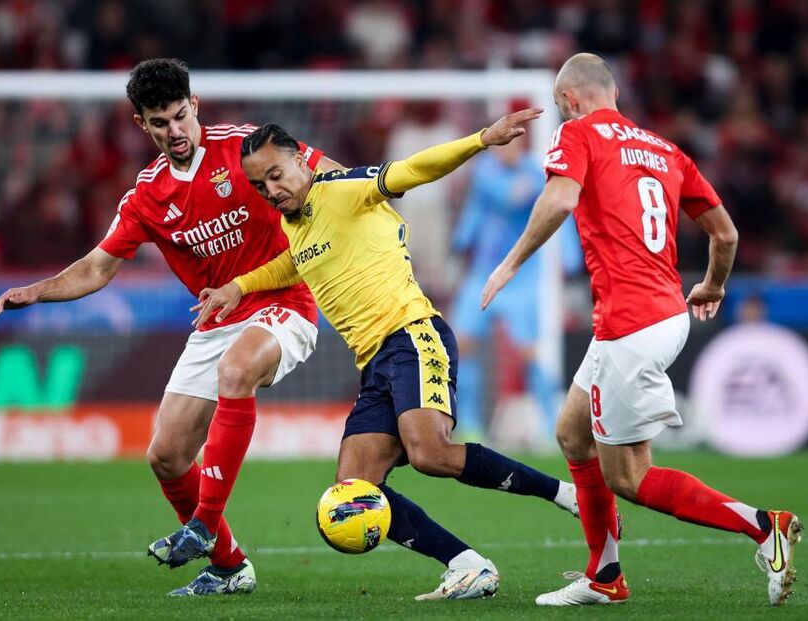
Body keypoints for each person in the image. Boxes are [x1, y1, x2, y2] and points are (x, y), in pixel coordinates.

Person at [0, 58, 341, 597]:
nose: (175, 132)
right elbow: (98, 267)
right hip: (216, 319)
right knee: (166, 455)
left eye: (180, 116)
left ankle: (201, 524)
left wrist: (374, 193)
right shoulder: (147, 196)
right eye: (160, 122)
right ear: (140, 125)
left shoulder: (243, 147)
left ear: (194, 106)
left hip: (283, 303)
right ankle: (228, 566)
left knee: (236, 366)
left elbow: (329, 172)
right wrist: (37, 290)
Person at [188, 113, 581, 601]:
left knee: (429, 453)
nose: (270, 189)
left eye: (276, 174)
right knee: (355, 489)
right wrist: (237, 286)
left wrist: (482, 140)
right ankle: (467, 565)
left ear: (299, 161)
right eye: (258, 184)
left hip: (413, 335)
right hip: (374, 363)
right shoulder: (297, 225)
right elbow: (294, 263)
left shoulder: (342, 189)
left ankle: (565, 494)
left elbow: (412, 170)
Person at [481, 53, 802, 607]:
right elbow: (725, 236)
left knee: (628, 475)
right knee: (572, 433)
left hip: (629, 325)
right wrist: (713, 286)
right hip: (663, 313)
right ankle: (604, 575)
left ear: (569, 100)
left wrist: (510, 263)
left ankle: (763, 525)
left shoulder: (576, 133)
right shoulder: (664, 149)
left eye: (562, 106)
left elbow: (559, 200)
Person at [450, 133, 581, 441]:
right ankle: (470, 426)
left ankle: (552, 429)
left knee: (529, 353)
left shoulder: (538, 174)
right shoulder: (485, 171)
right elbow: (494, 201)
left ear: (522, 144)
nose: (504, 150)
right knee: (461, 345)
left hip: (522, 277)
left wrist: (569, 256)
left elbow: (558, 211)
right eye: (500, 145)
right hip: (482, 273)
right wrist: (460, 242)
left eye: (510, 144)